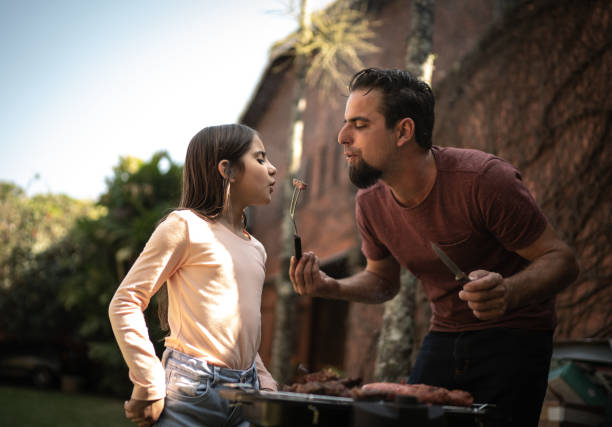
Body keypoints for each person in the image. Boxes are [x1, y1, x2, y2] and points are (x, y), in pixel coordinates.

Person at [289, 68, 579, 426]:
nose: (342, 136)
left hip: (517, 337)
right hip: (443, 335)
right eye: (346, 123)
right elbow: (383, 281)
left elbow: (562, 260)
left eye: (360, 125)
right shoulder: (369, 202)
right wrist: (330, 287)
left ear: (404, 131)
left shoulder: (483, 180)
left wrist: (509, 291)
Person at [109, 124, 278, 427]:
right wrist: (149, 381)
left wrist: (264, 381)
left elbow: (243, 330)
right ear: (228, 170)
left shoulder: (257, 249)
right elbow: (126, 301)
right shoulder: (184, 226)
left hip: (246, 397)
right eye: (261, 159)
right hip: (190, 392)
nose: (273, 169)